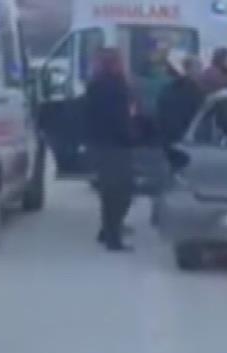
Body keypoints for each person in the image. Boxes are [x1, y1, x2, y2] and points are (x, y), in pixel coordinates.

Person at [85, 48, 134, 252]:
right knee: (121, 193)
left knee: (109, 192)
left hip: (100, 144)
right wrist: (132, 135)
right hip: (116, 145)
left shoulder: (95, 85)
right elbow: (121, 117)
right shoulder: (116, 86)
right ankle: (113, 236)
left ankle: (108, 231)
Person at [156, 51, 204, 150]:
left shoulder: (172, 87)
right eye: (198, 68)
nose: (201, 71)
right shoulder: (191, 90)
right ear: (189, 69)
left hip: (171, 137)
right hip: (183, 138)